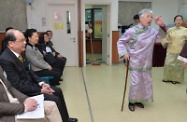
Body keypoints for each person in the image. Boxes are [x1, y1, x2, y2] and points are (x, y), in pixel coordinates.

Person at [0, 29, 78, 122]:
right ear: (11, 43)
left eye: (25, 40)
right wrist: (40, 90)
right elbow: (17, 86)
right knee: (54, 98)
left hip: (31, 85)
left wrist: (41, 83)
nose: (25, 42)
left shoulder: (19, 53)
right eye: (22, 41)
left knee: (58, 90)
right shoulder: (6, 59)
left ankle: (65, 118)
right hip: (24, 92)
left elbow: (30, 71)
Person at [117, 9, 167, 112]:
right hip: (135, 61)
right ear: (140, 18)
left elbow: (162, 36)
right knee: (136, 82)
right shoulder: (132, 31)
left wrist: (162, 25)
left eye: (151, 17)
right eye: (148, 16)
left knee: (144, 82)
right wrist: (124, 53)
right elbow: (121, 42)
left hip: (147, 62)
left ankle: (138, 100)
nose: (150, 19)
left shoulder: (151, 31)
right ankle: (131, 101)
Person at [161, 15, 187, 84]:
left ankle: (176, 79)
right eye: (177, 20)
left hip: (180, 51)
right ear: (174, 21)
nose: (178, 21)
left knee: (178, 66)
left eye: (180, 20)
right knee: (168, 64)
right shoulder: (170, 29)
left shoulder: (185, 30)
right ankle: (167, 78)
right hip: (171, 50)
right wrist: (166, 41)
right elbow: (165, 38)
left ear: (182, 21)